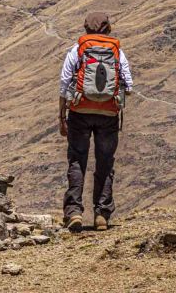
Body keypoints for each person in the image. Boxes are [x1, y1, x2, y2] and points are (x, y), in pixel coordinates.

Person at [58, 12, 133, 232]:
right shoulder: (117, 52)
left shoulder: (77, 49)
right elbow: (128, 86)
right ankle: (102, 214)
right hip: (108, 116)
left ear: (86, 29)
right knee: (105, 162)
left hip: (79, 112)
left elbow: (64, 84)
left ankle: (74, 213)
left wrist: (62, 116)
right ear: (108, 28)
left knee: (77, 160)